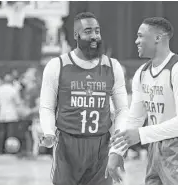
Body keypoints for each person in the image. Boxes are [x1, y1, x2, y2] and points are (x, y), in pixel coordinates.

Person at [107, 17, 178, 185]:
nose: (136, 41)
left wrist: (142, 134)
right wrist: (116, 152)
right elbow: (135, 119)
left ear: (158, 38)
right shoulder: (142, 73)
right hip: (154, 145)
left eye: (140, 36)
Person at [39, 12, 128, 185]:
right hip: (67, 145)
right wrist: (49, 132)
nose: (94, 35)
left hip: (101, 145)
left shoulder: (112, 66)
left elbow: (123, 109)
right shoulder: (57, 65)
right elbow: (47, 107)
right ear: (76, 35)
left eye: (97, 31)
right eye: (88, 31)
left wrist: (118, 138)